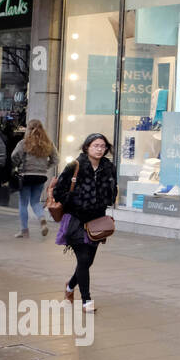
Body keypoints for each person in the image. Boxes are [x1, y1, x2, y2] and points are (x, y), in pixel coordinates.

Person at [57, 133, 118, 313]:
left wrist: (108, 197)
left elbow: (112, 190)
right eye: (96, 146)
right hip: (76, 219)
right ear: (87, 147)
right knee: (83, 258)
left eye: (103, 146)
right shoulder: (74, 165)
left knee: (88, 261)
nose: (100, 149)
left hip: (97, 220)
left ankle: (70, 286)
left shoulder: (108, 167)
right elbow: (59, 191)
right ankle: (86, 300)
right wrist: (74, 201)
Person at [12, 119, 58, 238]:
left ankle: (24, 230)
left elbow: (14, 156)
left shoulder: (24, 143)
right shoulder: (48, 143)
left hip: (26, 175)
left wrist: (18, 165)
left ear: (28, 128)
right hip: (40, 176)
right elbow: (56, 159)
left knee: (23, 203)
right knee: (35, 202)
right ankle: (42, 218)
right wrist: (45, 167)